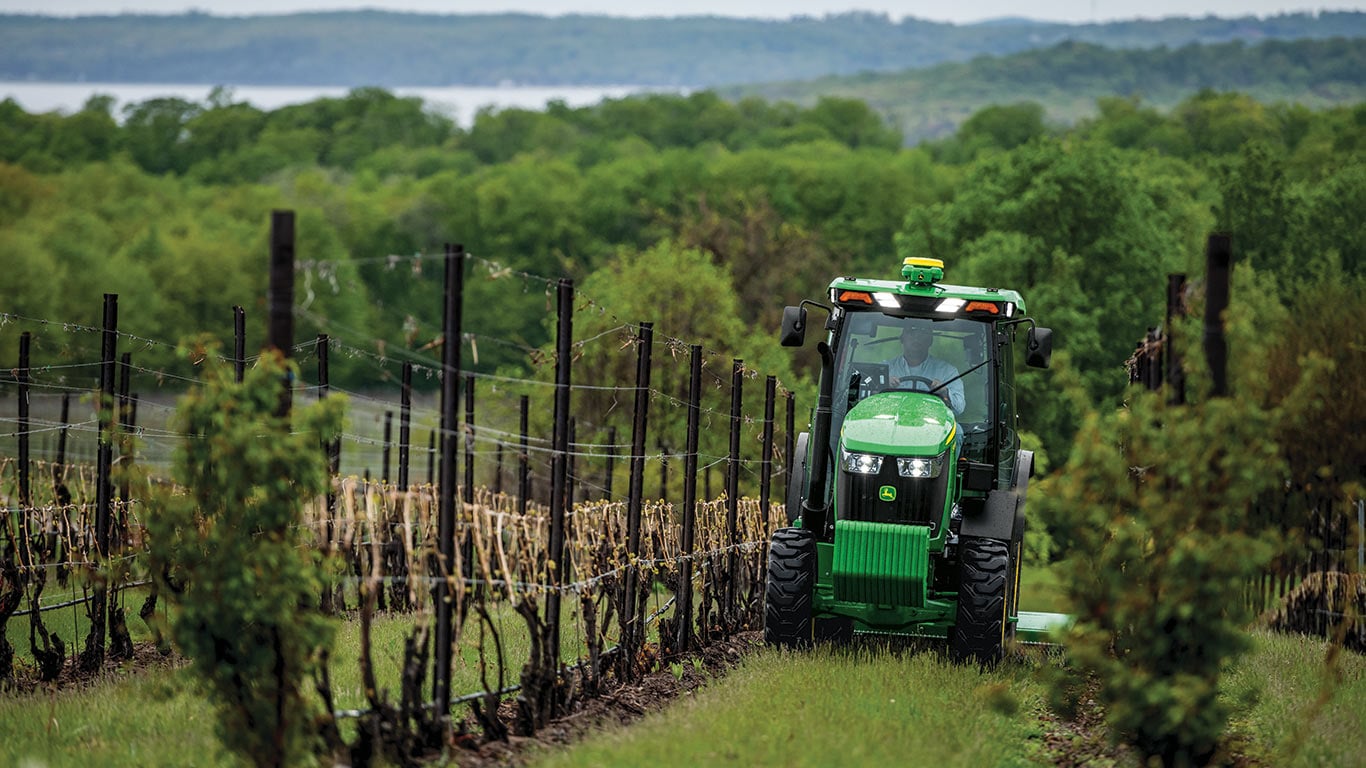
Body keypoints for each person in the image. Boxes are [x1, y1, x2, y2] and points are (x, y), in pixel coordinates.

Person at [882, 325, 965, 416]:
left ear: (930, 341)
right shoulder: (883, 369)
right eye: (911, 333)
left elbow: (959, 408)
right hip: (890, 422)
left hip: (935, 424)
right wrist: (882, 385)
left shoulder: (947, 371)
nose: (916, 338)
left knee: (959, 430)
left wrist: (944, 392)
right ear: (902, 339)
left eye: (922, 334)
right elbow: (866, 401)